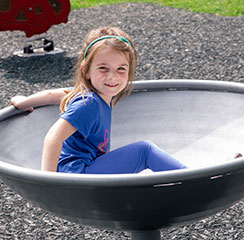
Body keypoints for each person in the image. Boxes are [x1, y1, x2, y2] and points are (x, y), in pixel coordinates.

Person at [11, 26, 187, 174]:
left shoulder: (87, 92)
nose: (112, 76)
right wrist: (47, 181)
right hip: (78, 173)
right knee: (144, 151)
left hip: (85, 167)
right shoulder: (89, 104)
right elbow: (53, 137)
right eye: (103, 68)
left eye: (121, 69)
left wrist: (24, 102)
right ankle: (190, 177)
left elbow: (53, 95)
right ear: (86, 70)